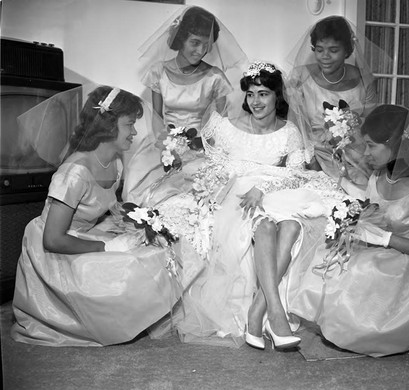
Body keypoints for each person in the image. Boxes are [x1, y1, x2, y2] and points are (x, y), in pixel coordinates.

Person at [142, 61, 343, 349]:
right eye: (250, 94)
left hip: (271, 194)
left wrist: (262, 188)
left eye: (263, 93)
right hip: (234, 195)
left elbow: (296, 174)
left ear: (277, 96)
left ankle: (259, 312)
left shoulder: (289, 133)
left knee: (291, 225)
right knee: (266, 225)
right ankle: (274, 316)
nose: (256, 101)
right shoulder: (225, 127)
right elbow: (212, 169)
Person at [10, 86, 189, 347]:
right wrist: (106, 246)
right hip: (54, 250)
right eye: (130, 124)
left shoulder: (114, 162)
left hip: (86, 232)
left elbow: (110, 208)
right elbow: (52, 239)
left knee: (156, 250)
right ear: (108, 125)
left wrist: (145, 223)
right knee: (126, 266)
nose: (135, 132)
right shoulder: (74, 172)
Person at [288, 104, 409, 357]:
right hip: (383, 249)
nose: (366, 153)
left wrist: (387, 238)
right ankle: (343, 324)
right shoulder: (377, 178)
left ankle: (364, 330)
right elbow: (373, 215)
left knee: (363, 268)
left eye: (371, 145)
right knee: (331, 256)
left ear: (397, 144)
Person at [123, 5, 248, 205]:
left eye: (206, 45)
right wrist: (167, 148)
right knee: (142, 184)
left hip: (201, 147)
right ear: (180, 38)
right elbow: (157, 118)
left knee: (201, 194)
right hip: (162, 144)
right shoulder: (159, 72)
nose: (200, 51)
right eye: (195, 42)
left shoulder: (215, 77)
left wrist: (202, 149)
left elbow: (220, 126)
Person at [286, 15, 386, 186]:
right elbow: (294, 127)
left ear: (347, 50)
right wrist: (310, 161)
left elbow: (372, 128)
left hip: (357, 159)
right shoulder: (300, 77)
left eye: (333, 50)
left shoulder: (365, 81)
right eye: (319, 49)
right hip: (314, 158)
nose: (325, 56)